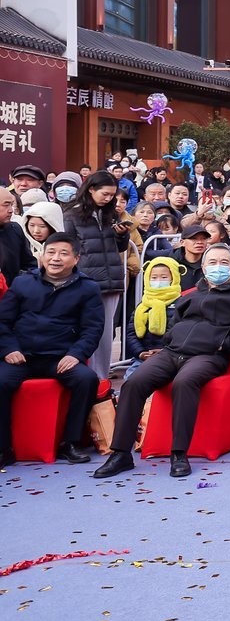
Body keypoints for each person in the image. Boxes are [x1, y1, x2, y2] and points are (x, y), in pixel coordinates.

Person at [94, 244, 230, 479]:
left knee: (184, 383)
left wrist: (223, 344)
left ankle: (179, 453)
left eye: (224, 263)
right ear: (203, 268)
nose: (218, 267)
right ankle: (121, 453)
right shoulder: (190, 297)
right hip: (172, 353)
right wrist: (170, 340)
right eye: (212, 263)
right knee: (133, 383)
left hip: (209, 356)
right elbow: (174, 325)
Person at [0, 233, 104, 466]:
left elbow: (92, 329)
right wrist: (8, 348)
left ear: (76, 259)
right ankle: (3, 448)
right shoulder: (22, 282)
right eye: (51, 252)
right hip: (21, 356)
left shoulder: (88, 288)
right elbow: (2, 322)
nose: (56, 258)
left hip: (59, 357)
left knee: (86, 379)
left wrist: (75, 355)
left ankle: (71, 443)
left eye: (64, 254)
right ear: (42, 255)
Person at [60, 171, 129, 377]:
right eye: (105, 194)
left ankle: (102, 377)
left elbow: (121, 247)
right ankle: (84, 374)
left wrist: (122, 234)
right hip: (85, 281)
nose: (108, 199)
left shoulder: (112, 214)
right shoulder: (71, 214)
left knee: (106, 333)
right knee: (86, 330)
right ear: (91, 189)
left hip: (112, 280)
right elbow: (68, 246)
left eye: (112, 195)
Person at [0, 187, 35, 286]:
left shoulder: (14, 229)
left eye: (12, 205)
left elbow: (29, 264)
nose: (11, 210)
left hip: (13, 294)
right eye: (6, 205)